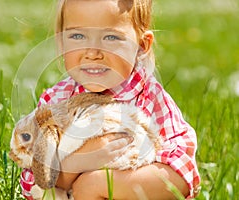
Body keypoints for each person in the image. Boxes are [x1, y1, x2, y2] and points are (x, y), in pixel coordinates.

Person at [19, 0, 201, 199]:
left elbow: (183, 177)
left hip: (131, 188)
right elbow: (31, 182)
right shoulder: (56, 100)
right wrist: (77, 162)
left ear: (141, 46)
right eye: (78, 36)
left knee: (93, 186)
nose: (93, 53)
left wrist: (99, 183)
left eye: (111, 37)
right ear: (61, 42)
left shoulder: (149, 97)